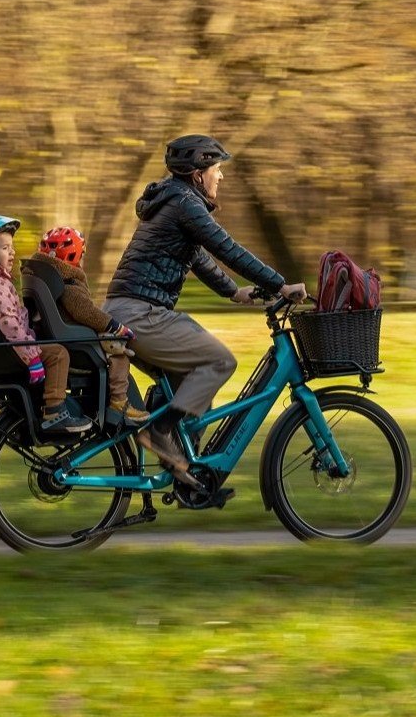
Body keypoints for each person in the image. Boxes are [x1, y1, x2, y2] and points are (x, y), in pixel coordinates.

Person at [103, 134, 306, 486]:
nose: (221, 176)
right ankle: (159, 431)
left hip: (128, 312)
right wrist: (280, 285)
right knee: (219, 361)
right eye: (216, 168)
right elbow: (226, 247)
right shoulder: (184, 203)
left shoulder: (172, 202)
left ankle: (186, 476)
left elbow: (198, 257)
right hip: (141, 315)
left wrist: (234, 292)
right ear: (198, 173)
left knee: (196, 392)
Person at [0, 215, 92, 435]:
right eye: (4, 248)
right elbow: (10, 325)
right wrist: (33, 358)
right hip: (9, 352)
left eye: (12, 247)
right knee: (58, 354)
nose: (12, 252)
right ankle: (55, 412)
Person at [27, 225, 149, 425]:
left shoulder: (42, 277)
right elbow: (85, 312)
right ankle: (119, 402)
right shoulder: (69, 283)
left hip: (64, 339)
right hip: (80, 347)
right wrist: (115, 326)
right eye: (81, 255)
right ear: (74, 256)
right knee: (119, 351)